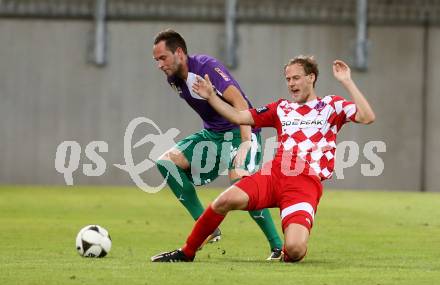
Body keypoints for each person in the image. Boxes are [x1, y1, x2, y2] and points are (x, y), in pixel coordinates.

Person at [151, 55, 375, 262]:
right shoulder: (281, 108)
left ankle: (284, 252)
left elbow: (367, 117)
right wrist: (211, 97)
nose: (291, 83)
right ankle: (187, 252)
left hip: (305, 183)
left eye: (296, 78)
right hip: (274, 174)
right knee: (223, 201)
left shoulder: (330, 105)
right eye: (288, 79)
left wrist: (347, 81)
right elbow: (239, 116)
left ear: (311, 77)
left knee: (295, 249)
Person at [152, 29, 283, 260]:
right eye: (156, 60)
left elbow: (240, 102)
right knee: (166, 163)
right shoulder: (173, 79)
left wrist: (245, 143)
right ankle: (208, 228)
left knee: (244, 183)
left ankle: (277, 246)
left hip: (241, 131)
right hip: (213, 136)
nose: (159, 64)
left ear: (179, 52)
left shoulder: (206, 67)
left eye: (163, 58)